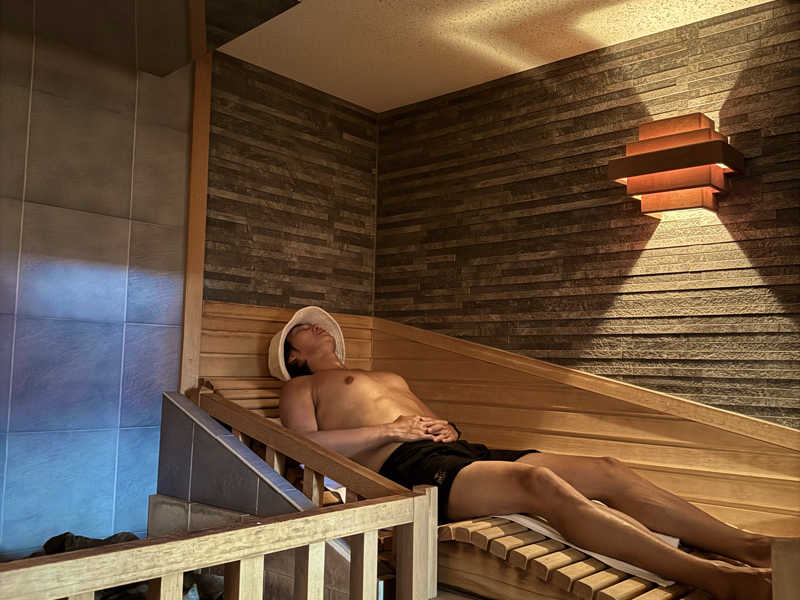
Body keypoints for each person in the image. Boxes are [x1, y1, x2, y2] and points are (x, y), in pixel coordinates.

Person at [268, 306, 781, 600]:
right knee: (541, 485)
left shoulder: (385, 373)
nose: (316, 324)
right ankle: (715, 577)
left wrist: (446, 426)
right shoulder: (299, 388)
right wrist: (390, 430)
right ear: (294, 355)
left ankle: (751, 546)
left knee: (608, 470)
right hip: (406, 469)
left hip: (456, 452)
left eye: (318, 322)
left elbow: (428, 419)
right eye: (303, 328)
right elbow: (304, 446)